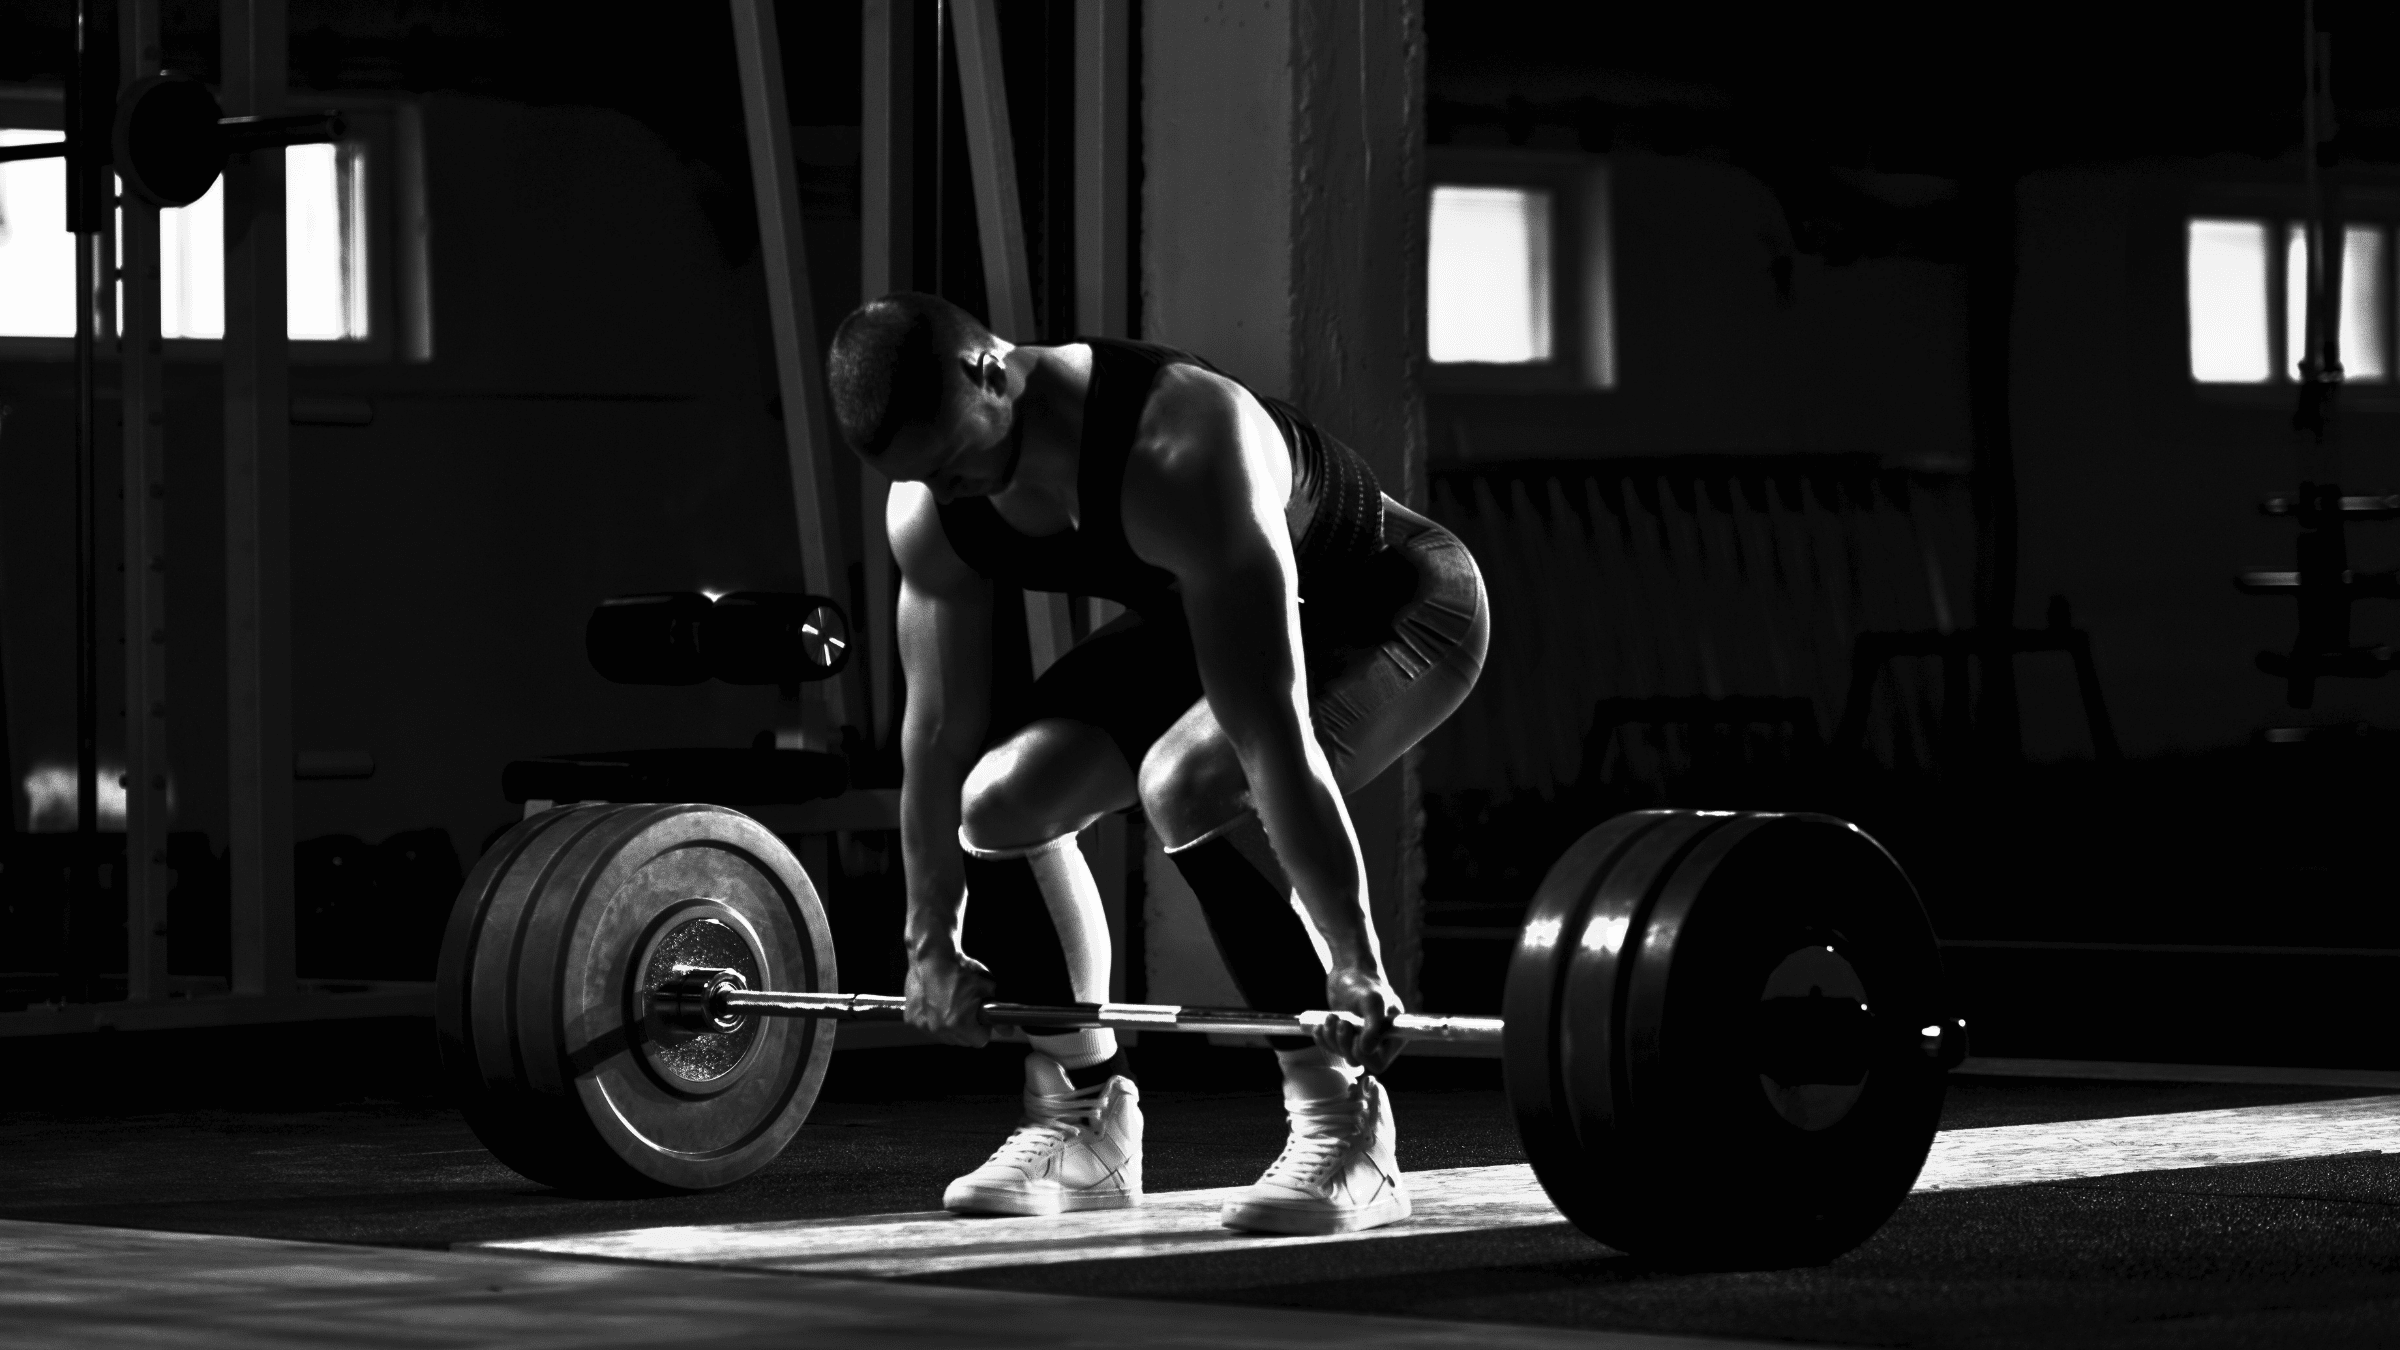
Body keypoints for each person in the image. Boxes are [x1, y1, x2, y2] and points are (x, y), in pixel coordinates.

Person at [824, 292, 1488, 1235]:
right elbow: (934, 734)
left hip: (1389, 605)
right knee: (999, 801)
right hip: (1210, 618)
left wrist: (1354, 957)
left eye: (954, 462)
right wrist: (930, 939)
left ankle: (1345, 1121)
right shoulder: (933, 506)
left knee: (1188, 781)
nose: (950, 489)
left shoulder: (1179, 440)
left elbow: (1269, 733)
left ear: (991, 373)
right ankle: (1084, 1115)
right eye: (924, 477)